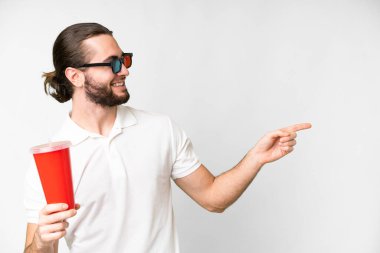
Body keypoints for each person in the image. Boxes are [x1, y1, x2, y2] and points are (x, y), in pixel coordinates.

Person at [24, 23, 311, 253]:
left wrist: (256, 158)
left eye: (124, 60)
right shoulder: (51, 160)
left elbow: (213, 199)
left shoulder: (160, 130)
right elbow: (38, 250)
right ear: (75, 76)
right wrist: (42, 243)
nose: (124, 70)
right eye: (111, 63)